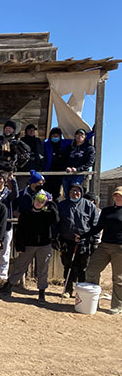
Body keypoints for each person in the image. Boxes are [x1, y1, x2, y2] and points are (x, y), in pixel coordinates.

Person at [1, 190, 59, 303]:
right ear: (33, 201)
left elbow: (56, 218)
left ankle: (41, 291)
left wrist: (51, 203)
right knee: (20, 266)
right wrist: (20, 246)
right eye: (37, 200)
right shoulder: (26, 214)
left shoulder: (47, 214)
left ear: (45, 203)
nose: (39, 203)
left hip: (44, 245)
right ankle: (9, 285)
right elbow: (20, 232)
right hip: (28, 245)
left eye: (42, 201)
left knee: (43, 269)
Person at [83, 186, 122, 314]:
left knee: (118, 278)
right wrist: (83, 235)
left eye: (120, 195)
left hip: (120, 248)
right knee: (91, 271)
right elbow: (98, 227)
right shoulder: (106, 211)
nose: (117, 197)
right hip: (104, 245)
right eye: (116, 195)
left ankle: (117, 306)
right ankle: (92, 300)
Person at [56, 183, 99, 298]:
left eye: (77, 191)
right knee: (68, 266)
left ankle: (81, 292)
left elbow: (95, 224)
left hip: (84, 242)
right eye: (72, 191)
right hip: (67, 241)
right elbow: (56, 223)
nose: (75, 193)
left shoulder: (89, 206)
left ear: (81, 193)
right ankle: (68, 289)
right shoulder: (62, 205)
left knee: (82, 268)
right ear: (68, 193)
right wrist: (55, 238)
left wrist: (94, 240)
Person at [0, 171, 18, 282]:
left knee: (5, 251)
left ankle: (2, 276)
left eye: (1, 178)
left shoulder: (8, 193)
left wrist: (13, 181)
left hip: (7, 226)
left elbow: (15, 194)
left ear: (4, 180)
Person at [63, 128, 95, 197]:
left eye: (81, 135)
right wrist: (66, 167)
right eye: (77, 134)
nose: (79, 136)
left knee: (75, 191)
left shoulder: (89, 148)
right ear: (75, 136)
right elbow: (64, 159)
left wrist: (78, 169)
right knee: (66, 193)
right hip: (68, 174)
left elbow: (90, 162)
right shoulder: (70, 147)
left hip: (80, 174)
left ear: (85, 137)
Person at [43, 127, 71, 200]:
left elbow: (79, 139)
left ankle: (55, 208)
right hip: (48, 173)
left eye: (57, 136)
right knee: (45, 193)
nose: (55, 137)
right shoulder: (46, 144)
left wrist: (91, 133)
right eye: (53, 136)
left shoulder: (64, 143)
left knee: (56, 194)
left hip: (59, 174)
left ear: (60, 136)